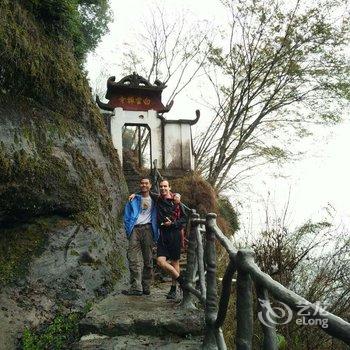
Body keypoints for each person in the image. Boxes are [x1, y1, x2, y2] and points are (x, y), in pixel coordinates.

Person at [123, 177, 159, 296]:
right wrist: (129, 227)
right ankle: (136, 287)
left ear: (150, 185)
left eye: (146, 183)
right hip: (135, 229)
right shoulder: (133, 199)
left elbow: (168, 196)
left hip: (148, 229)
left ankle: (146, 286)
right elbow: (127, 215)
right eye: (142, 183)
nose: (144, 185)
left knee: (148, 259)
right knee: (132, 257)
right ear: (140, 185)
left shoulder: (155, 199)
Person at [155, 180, 188, 299]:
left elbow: (184, 219)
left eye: (165, 186)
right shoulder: (158, 199)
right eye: (161, 186)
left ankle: (174, 289)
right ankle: (182, 281)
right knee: (160, 261)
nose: (163, 188)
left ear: (169, 187)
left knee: (175, 262)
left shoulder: (176, 201)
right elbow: (145, 191)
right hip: (163, 235)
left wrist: (173, 224)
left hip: (174, 234)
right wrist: (135, 194)